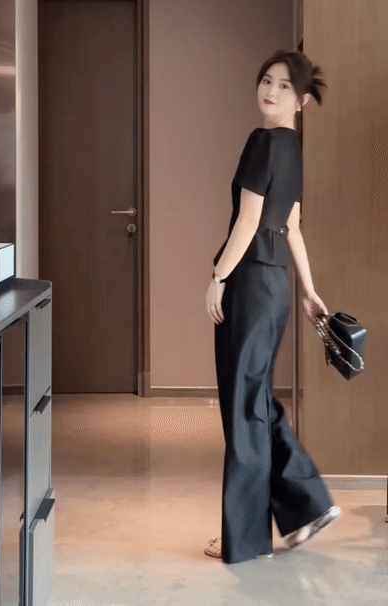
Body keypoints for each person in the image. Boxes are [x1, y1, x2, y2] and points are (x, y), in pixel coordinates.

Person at [204, 50, 341, 563]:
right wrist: (307, 289)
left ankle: (246, 540)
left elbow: (249, 220)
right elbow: (293, 226)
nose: (271, 91)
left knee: (244, 408)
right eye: (267, 80)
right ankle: (308, 507)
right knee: (258, 401)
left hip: (248, 286)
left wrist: (219, 277)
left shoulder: (262, 142)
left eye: (285, 87)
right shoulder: (292, 149)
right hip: (276, 287)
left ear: (301, 101)